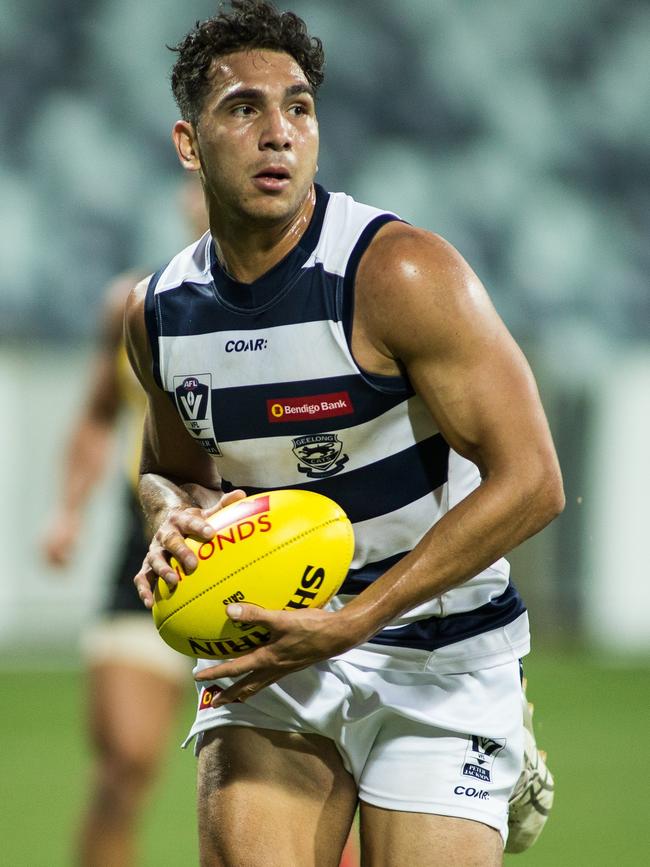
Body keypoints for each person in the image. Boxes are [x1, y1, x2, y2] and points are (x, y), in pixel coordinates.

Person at [125, 2, 564, 865]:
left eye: (298, 107)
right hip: (276, 651)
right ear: (188, 143)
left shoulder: (397, 273)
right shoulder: (160, 314)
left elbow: (534, 480)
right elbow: (170, 470)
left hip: (443, 651)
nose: (278, 134)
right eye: (244, 108)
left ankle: (502, 729)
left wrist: (356, 620)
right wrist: (169, 512)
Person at [42, 180, 208, 867]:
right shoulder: (135, 306)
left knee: (306, 774)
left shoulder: (302, 311)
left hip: (267, 548)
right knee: (123, 765)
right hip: (148, 550)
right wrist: (69, 512)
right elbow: (96, 415)